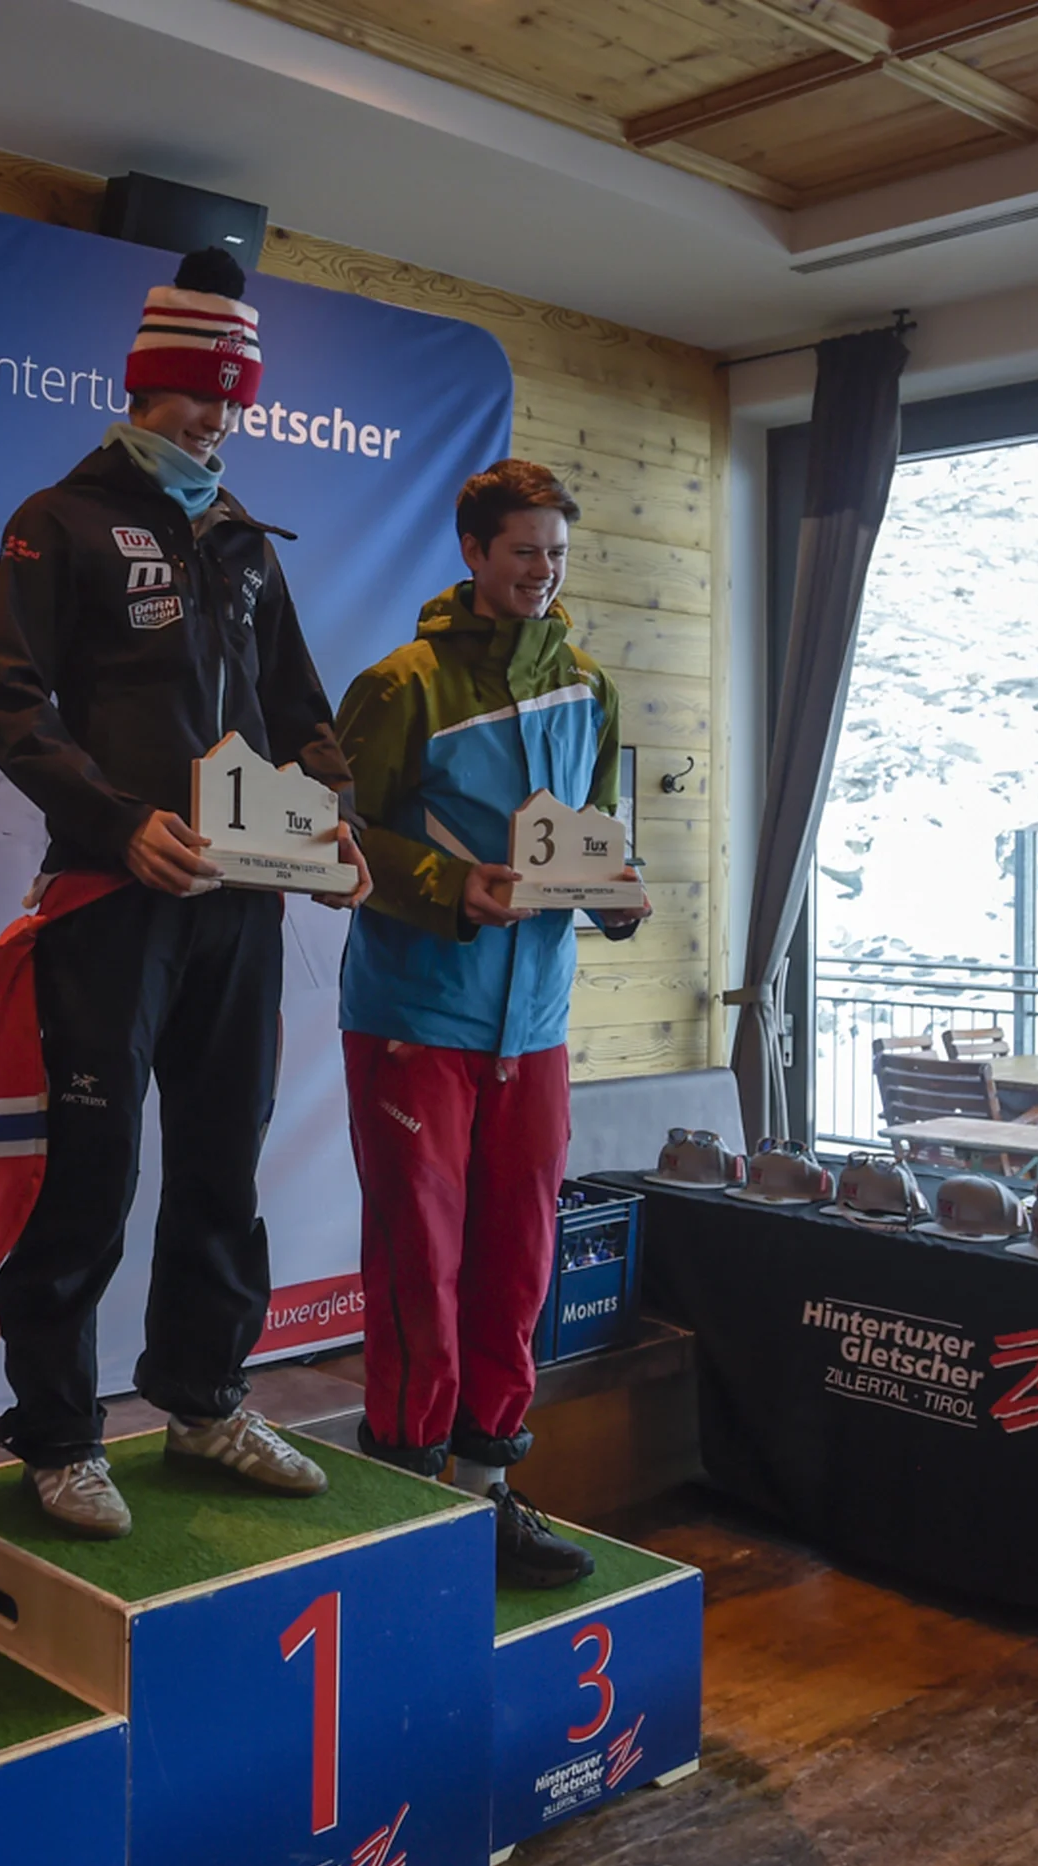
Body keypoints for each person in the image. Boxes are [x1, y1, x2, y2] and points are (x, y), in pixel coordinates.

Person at [0, 246, 371, 1538]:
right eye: (197, 393)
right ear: (144, 387)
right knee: (89, 1171)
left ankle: (205, 1399)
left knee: (221, 1164)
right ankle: (58, 1433)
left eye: (234, 397)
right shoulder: (59, 519)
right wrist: (117, 822)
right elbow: (14, 707)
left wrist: (331, 831)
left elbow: (305, 718)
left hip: (241, 913)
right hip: (111, 898)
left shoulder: (244, 540)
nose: (218, 417)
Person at [331, 457, 648, 1588]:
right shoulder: (399, 686)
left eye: (556, 554)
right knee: (422, 1260)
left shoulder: (592, 689)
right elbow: (337, 840)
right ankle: (403, 1495)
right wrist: (447, 889)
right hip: (418, 1014)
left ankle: (484, 1489)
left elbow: (597, 832)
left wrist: (620, 894)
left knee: (519, 1257)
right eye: (523, 552)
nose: (542, 573)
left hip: (538, 1025)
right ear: (472, 553)